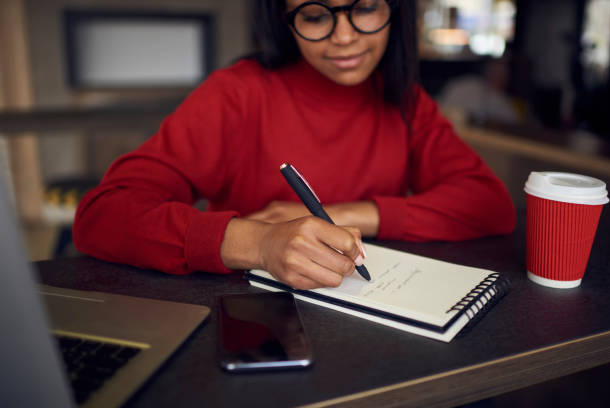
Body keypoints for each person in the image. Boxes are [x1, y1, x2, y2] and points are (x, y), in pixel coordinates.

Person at [73, 0, 516, 290]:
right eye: (316, 15)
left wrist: (346, 216)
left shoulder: (404, 99)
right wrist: (259, 244)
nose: (344, 37)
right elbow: (103, 215)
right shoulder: (237, 94)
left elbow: (489, 204)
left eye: (364, 7)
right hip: (260, 323)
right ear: (286, 21)